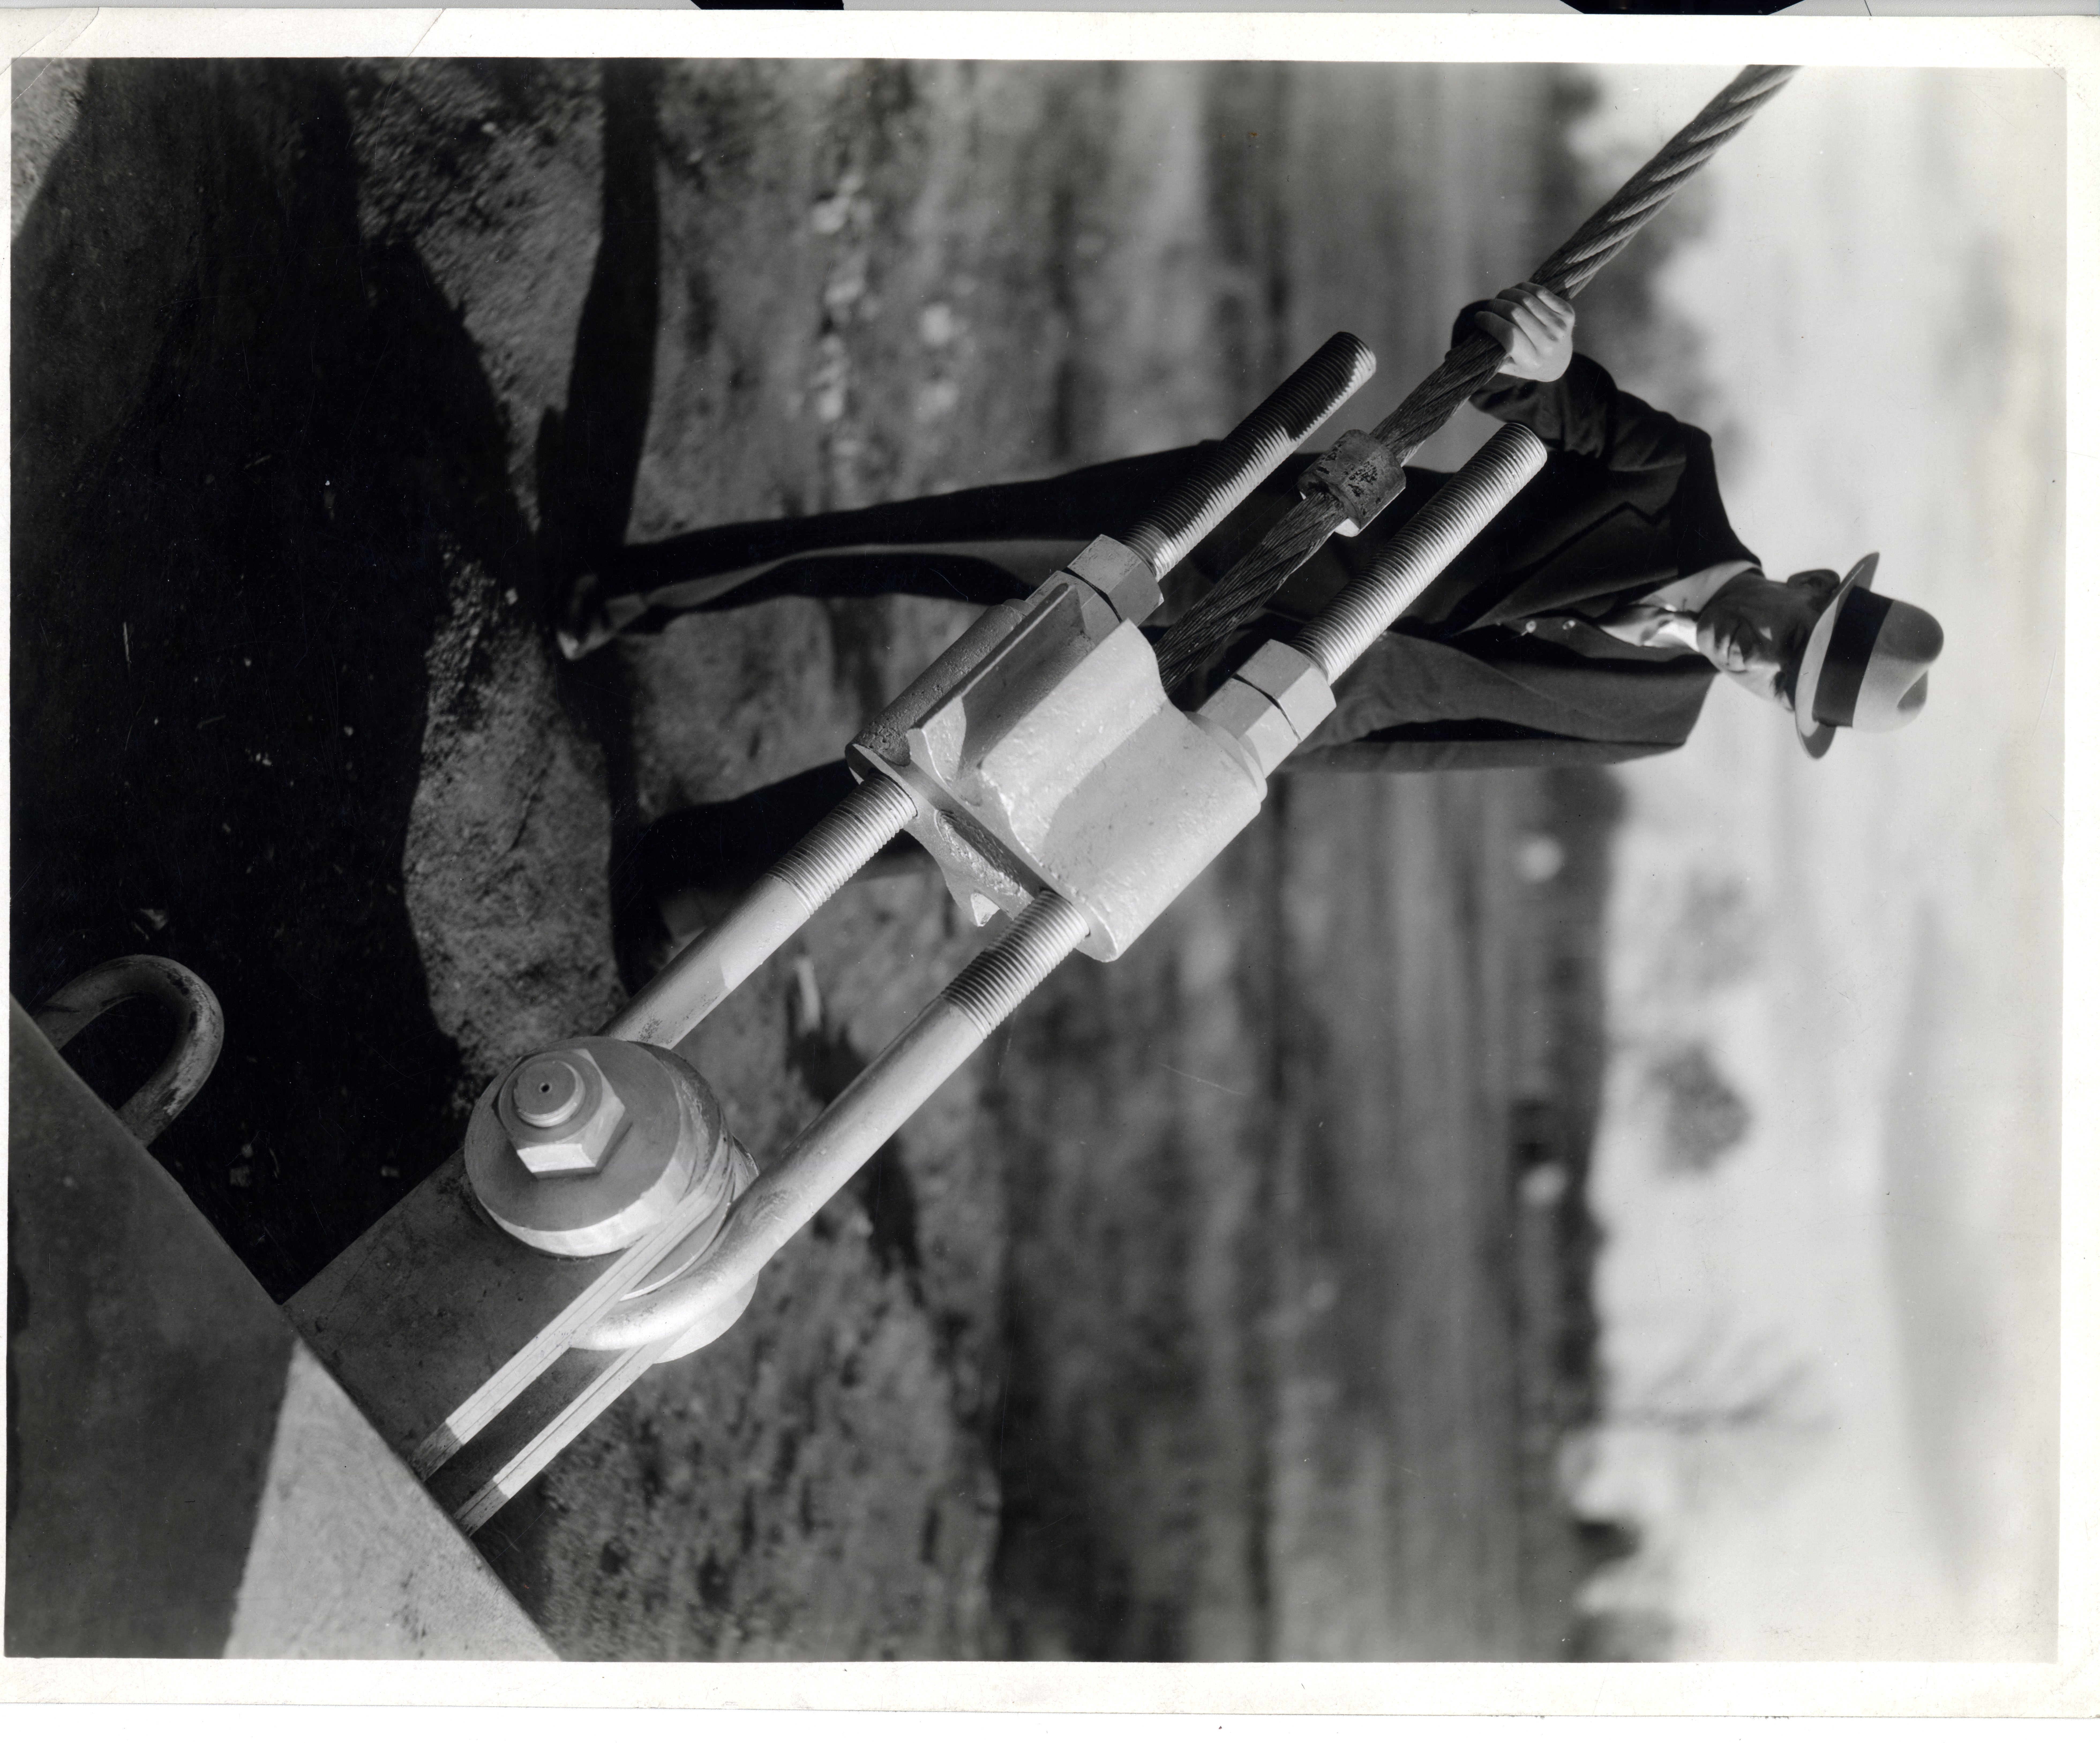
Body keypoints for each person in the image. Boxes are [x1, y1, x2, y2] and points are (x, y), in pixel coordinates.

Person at [594, 285, 1943, 981]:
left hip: (1244, 700)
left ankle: (690, 884)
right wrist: (1533, 351)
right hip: (1248, 529)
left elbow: (1440, 746)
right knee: (955, 543)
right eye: (1796, 634)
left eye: (1793, 686)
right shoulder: (1676, 482)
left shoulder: (1654, 720)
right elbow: (1522, 378)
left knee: (993, 800)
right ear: (1811, 582)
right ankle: (633, 591)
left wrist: (1263, 752)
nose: (1769, 661)